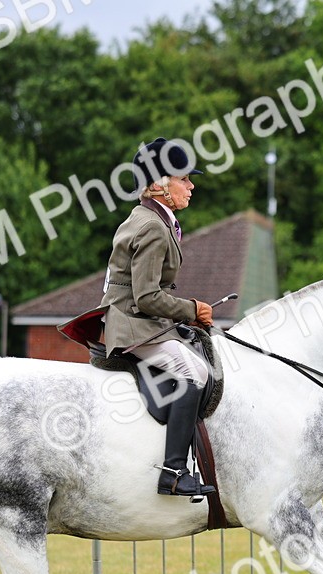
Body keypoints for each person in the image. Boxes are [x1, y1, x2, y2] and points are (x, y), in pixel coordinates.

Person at [100, 137, 215, 498]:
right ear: (158, 184)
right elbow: (147, 296)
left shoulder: (152, 219)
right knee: (195, 372)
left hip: (142, 320)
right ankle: (174, 472)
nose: (191, 186)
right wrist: (190, 309)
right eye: (184, 179)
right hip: (132, 325)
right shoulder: (151, 226)